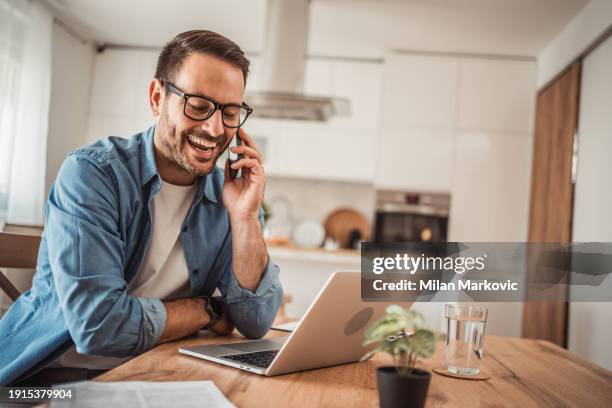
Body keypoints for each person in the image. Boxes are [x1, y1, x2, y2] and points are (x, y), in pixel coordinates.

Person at [0, 30, 283, 386]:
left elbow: (255, 323)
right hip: (52, 381)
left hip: (156, 371)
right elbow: (99, 329)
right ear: (156, 98)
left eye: (230, 112)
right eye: (198, 106)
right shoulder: (93, 174)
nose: (214, 129)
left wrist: (244, 218)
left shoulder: (232, 192)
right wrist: (207, 310)